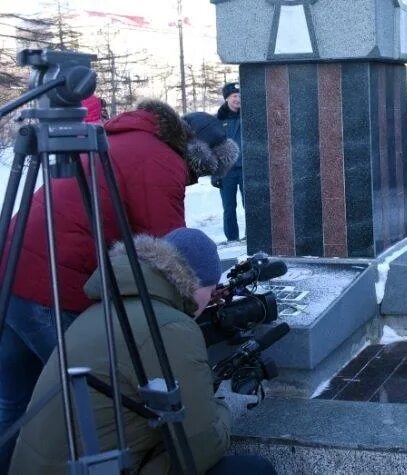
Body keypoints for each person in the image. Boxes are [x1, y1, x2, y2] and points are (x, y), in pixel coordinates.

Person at [0, 101, 238, 473]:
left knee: (14, 401)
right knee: (87, 392)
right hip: (54, 279)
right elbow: (168, 255)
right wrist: (201, 294)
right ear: (198, 155)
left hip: (13, 262)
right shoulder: (161, 160)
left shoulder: (131, 137)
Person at [10, 228, 275, 475]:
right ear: (196, 284)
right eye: (211, 290)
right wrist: (225, 408)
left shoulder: (102, 309)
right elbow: (198, 452)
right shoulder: (169, 326)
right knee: (253, 470)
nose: (211, 299)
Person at [216, 82, 244, 242]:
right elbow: (213, 147)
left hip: (246, 170)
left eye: (240, 95)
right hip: (226, 172)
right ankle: (232, 239)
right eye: (234, 96)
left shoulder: (249, 116)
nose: (238, 99)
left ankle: (252, 237)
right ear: (227, 98)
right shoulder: (218, 120)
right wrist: (215, 173)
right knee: (229, 208)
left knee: (250, 207)